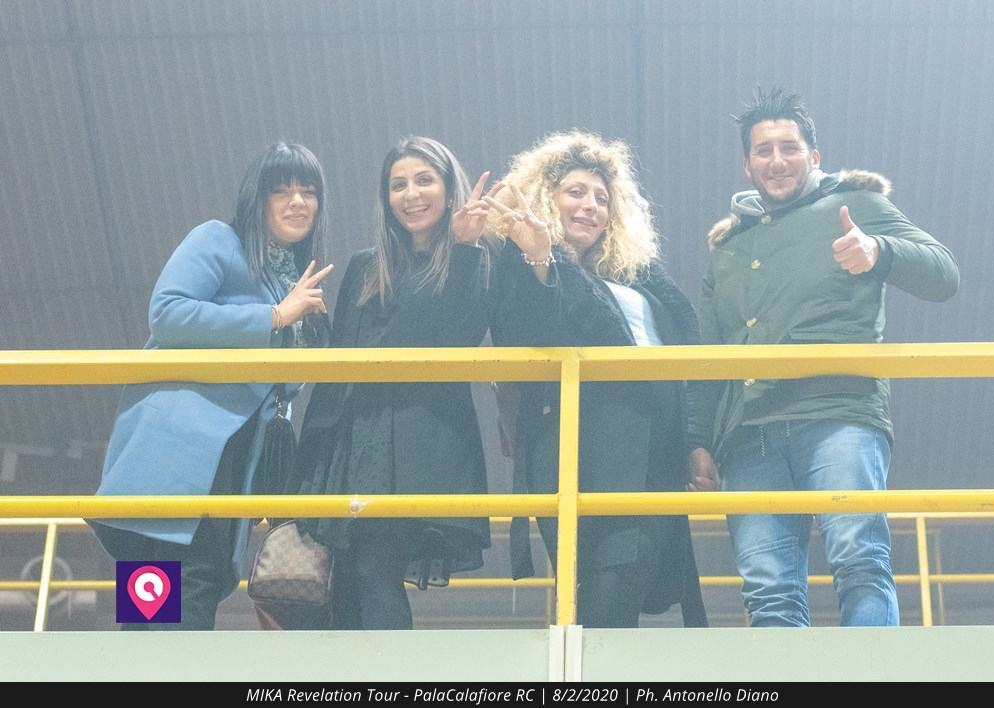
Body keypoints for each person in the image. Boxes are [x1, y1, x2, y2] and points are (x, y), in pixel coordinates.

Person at [689, 87, 960, 627]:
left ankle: (869, 672)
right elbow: (707, 357)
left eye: (789, 148)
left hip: (838, 412)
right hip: (749, 433)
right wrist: (698, 440)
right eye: (763, 150)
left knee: (859, 557)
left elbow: (943, 274)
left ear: (814, 156)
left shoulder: (854, 206)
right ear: (747, 165)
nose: (777, 160)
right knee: (768, 590)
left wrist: (879, 251)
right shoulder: (729, 249)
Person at [92, 142, 334, 630]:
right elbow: (168, 312)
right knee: (166, 592)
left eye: (309, 191)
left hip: (232, 457)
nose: (297, 201)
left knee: (189, 589)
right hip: (178, 454)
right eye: (281, 190)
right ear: (256, 199)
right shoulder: (219, 240)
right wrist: (274, 316)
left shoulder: (292, 280)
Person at [487, 131, 708, 628]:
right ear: (545, 198)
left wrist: (697, 440)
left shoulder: (639, 274)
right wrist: (542, 257)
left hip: (655, 450)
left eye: (602, 198)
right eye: (575, 192)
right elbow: (527, 333)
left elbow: (688, 351)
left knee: (630, 584)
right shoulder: (523, 263)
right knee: (608, 585)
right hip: (587, 452)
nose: (590, 205)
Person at [295, 136, 500, 630]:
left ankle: (391, 670)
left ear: (450, 190)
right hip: (357, 442)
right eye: (398, 185)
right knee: (349, 582)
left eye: (424, 180)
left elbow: (446, 339)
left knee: (373, 569)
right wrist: (311, 462)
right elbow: (339, 368)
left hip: (419, 445)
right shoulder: (367, 265)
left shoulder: (474, 261)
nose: (411, 194)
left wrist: (464, 248)